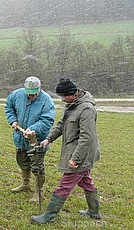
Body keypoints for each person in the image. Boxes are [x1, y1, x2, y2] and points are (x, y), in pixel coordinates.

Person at [31, 78, 101, 224]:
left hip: (82, 154)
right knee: (86, 181)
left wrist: (76, 159)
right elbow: (61, 125)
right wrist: (48, 139)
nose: (62, 99)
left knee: (65, 184)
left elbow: (87, 137)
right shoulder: (72, 105)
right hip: (76, 151)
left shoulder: (86, 109)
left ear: (72, 93)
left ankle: (49, 216)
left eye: (63, 96)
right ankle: (94, 211)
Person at [5, 76, 55, 202]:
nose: (31, 97)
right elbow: (9, 107)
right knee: (23, 161)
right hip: (20, 138)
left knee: (37, 166)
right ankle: (25, 183)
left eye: (34, 94)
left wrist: (33, 129)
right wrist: (13, 120)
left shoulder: (46, 101)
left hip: (37, 140)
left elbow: (47, 120)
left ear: (40, 89)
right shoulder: (16, 95)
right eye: (29, 94)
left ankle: (39, 191)